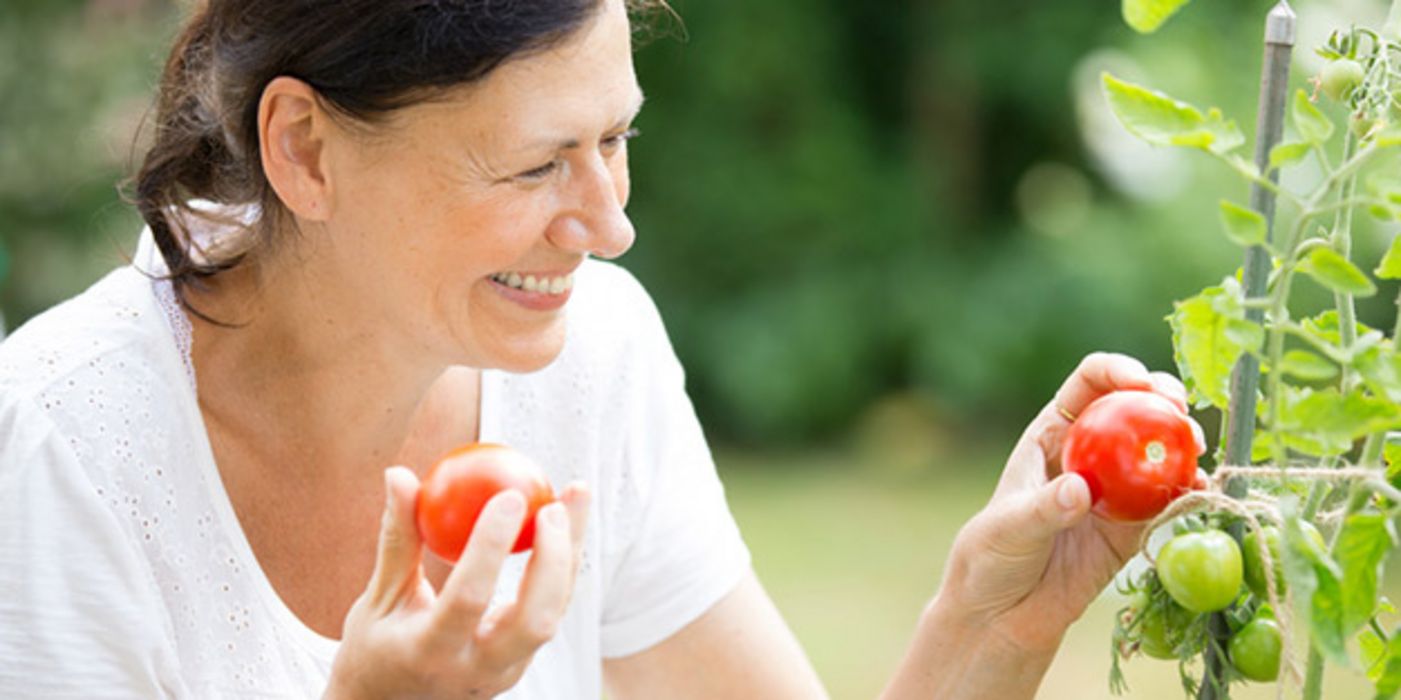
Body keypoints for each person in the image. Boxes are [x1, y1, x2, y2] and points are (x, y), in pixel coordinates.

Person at [0, 0, 1206, 697]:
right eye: (538, 164)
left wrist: (993, 620)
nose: (612, 224)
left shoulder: (591, 354)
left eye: (615, 140)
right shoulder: (66, 450)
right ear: (306, 150)